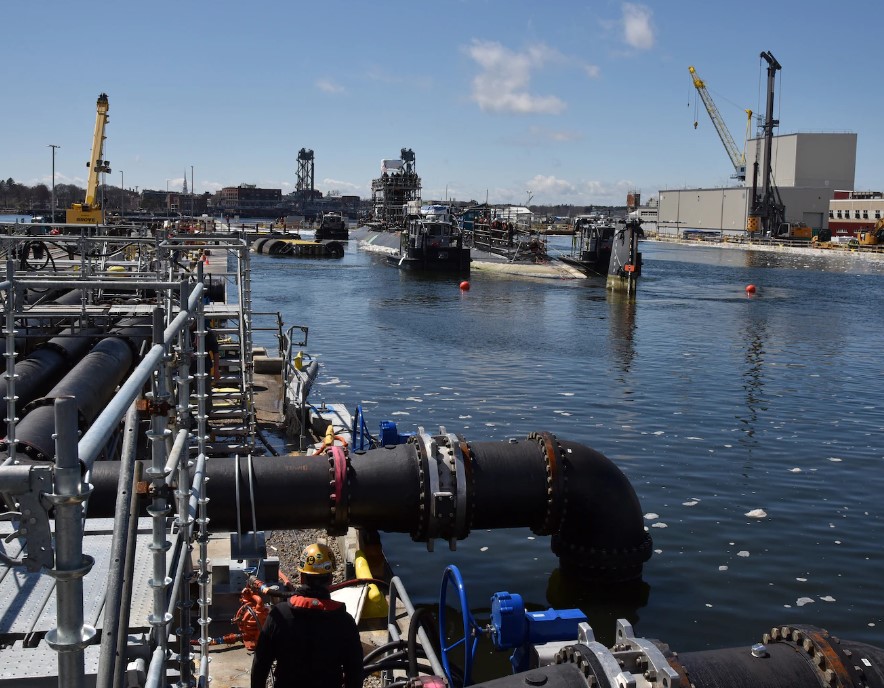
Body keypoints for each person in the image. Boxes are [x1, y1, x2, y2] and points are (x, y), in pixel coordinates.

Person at [251, 543, 363, 688]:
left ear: (302, 577)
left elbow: (260, 665)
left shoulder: (279, 616)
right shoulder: (344, 622)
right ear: (330, 579)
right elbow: (355, 673)